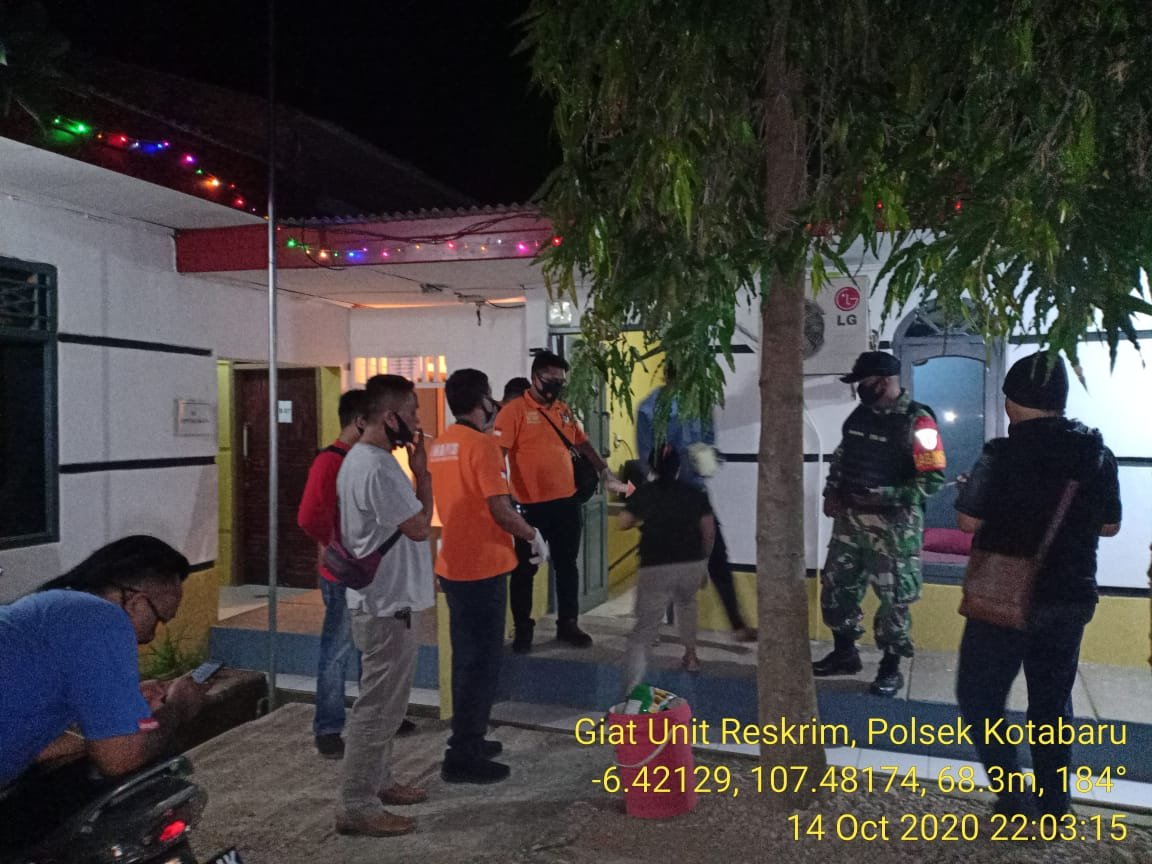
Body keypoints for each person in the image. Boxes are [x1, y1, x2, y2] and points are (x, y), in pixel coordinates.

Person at [954, 351, 1121, 818]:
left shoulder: (1001, 453)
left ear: (1012, 399)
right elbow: (1109, 526)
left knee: (980, 696)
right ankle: (1053, 807)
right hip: (1069, 595)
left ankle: (1013, 798)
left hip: (1004, 596)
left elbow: (968, 521)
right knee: (1051, 704)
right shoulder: (1096, 453)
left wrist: (980, 495)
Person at [0, 536, 205, 849]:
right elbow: (119, 760)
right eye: (158, 620)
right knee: (152, 769)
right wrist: (178, 707)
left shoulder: (47, 610)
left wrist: (125, 719)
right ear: (135, 602)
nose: (151, 637)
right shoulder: (101, 618)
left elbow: (35, 745)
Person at [428, 369, 550, 783]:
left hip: (454, 566)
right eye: (491, 397)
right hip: (483, 567)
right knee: (481, 664)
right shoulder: (482, 446)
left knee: (467, 659)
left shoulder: (442, 443)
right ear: (482, 401)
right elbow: (500, 508)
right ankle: (463, 755)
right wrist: (532, 535)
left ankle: (470, 738)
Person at [334, 374, 435, 838]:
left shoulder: (363, 460)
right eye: (412, 411)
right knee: (376, 709)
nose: (417, 420)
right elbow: (419, 525)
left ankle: (380, 781)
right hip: (386, 605)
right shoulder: (377, 467)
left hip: (384, 601)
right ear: (390, 417)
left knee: (388, 704)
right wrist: (423, 472)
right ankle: (357, 803)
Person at [813, 351, 946, 697]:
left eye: (864, 382)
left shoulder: (919, 422)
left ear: (885, 382)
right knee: (836, 587)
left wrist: (885, 494)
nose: (859, 389)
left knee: (894, 599)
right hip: (850, 521)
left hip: (894, 528)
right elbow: (843, 457)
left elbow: (932, 480)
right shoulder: (860, 416)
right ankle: (845, 653)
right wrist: (832, 492)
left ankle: (890, 667)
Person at [493, 351, 627, 651]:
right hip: (529, 507)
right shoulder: (513, 412)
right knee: (525, 569)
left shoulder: (562, 410)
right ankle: (523, 629)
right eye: (551, 379)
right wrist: (501, 493)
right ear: (535, 377)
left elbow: (581, 442)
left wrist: (604, 470)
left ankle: (568, 624)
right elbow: (497, 456)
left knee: (567, 566)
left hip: (566, 503)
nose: (556, 385)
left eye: (560, 381)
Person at [636, 364, 756, 642]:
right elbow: (652, 456)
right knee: (707, 558)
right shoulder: (659, 407)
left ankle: (735, 624)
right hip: (680, 493)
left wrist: (706, 460)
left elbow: (648, 457)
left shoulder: (676, 405)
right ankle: (736, 625)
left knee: (677, 558)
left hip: (678, 492)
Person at [618, 445, 715, 691]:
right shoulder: (694, 493)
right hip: (690, 563)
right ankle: (691, 656)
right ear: (678, 467)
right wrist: (703, 562)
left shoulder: (645, 492)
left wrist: (636, 503)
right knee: (687, 606)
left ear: (651, 468)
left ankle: (633, 685)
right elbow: (708, 530)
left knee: (644, 627)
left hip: (656, 565)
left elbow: (623, 522)